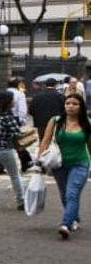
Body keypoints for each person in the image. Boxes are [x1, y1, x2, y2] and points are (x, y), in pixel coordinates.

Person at [35, 93, 89, 240]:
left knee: (72, 193)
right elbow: (45, 141)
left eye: (75, 104)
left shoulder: (87, 123)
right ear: (64, 106)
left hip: (80, 164)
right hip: (59, 164)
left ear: (81, 107)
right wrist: (38, 160)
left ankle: (65, 224)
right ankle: (74, 218)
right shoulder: (56, 121)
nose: (71, 106)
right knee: (65, 195)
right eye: (68, 103)